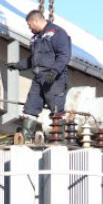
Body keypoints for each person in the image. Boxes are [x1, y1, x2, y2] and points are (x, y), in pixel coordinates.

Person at [6, 10, 71, 142]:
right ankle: (24, 138)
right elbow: (33, 59)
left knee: (56, 110)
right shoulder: (36, 38)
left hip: (55, 79)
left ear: (36, 21)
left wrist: (54, 72)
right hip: (38, 78)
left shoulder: (57, 33)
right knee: (30, 107)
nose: (29, 28)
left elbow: (64, 55)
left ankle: (59, 140)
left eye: (30, 25)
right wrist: (18, 65)